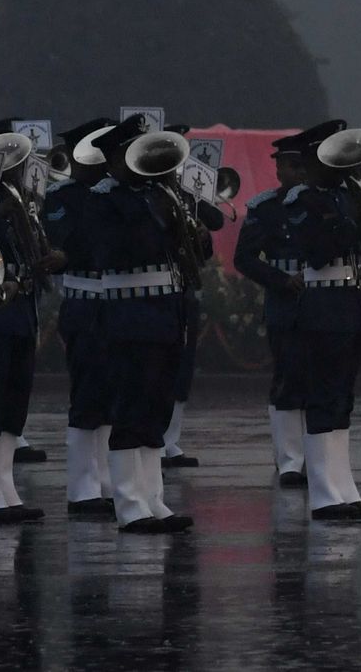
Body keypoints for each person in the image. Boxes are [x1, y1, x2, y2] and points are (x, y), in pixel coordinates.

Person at [86, 116, 193, 534]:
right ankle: (130, 504)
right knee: (131, 407)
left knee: (156, 408)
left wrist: (189, 229)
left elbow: (187, 252)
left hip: (164, 311)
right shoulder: (103, 199)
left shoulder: (159, 193)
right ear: (114, 159)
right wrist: (159, 221)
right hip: (127, 313)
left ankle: (153, 499)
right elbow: (108, 252)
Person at [284, 120, 361, 521]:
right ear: (312, 159)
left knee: (343, 400)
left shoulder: (349, 196)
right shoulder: (302, 200)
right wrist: (353, 221)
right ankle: (324, 494)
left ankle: (344, 489)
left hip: (352, 302)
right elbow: (318, 251)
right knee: (324, 396)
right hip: (322, 304)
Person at [0, 122, 61, 523]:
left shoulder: (19, 201)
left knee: (14, 402)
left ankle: (4, 486)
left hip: (22, 307)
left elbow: (34, 251)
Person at [43, 119, 116, 515]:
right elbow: (68, 241)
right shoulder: (63, 197)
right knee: (88, 393)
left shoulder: (117, 194)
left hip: (118, 299)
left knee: (112, 394)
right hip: (86, 301)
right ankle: (83, 488)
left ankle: (105, 480)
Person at [233, 129, 313, 488]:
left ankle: (315, 456)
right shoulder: (266, 208)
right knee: (288, 378)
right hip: (286, 302)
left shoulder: (322, 201)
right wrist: (280, 280)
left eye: (295, 166)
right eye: (285, 166)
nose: (287, 172)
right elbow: (244, 258)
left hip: (324, 300)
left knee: (319, 381)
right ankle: (290, 460)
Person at [160, 123, 225, 470]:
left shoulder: (187, 188)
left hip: (184, 287)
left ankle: (171, 439)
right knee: (156, 365)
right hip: (158, 287)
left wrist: (198, 195)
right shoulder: (150, 192)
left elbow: (215, 223)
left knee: (182, 366)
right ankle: (154, 437)